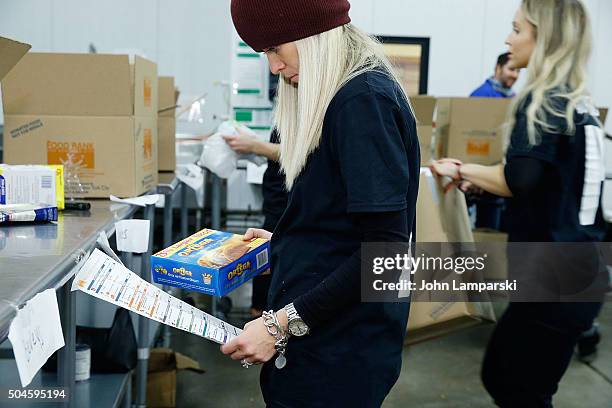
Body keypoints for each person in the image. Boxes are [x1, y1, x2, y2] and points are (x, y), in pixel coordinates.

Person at [221, 1, 420, 406]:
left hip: (340, 348)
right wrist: (288, 241)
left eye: (276, 48)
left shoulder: (361, 101)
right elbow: (344, 222)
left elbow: (386, 253)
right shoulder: (345, 97)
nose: (274, 66)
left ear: (312, 34)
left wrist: (280, 326)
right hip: (325, 337)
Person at [431, 0, 606, 406]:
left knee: (513, 384)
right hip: (581, 270)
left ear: (544, 37)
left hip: (556, 277)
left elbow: (519, 179)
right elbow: (547, 181)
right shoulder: (579, 103)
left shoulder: (544, 100)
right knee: (520, 383)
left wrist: (462, 169)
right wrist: (477, 180)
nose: (508, 38)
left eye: (517, 29)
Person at [223, 129, 287, 317]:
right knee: (268, 258)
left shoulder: (353, 104)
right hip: (279, 203)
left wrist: (256, 146)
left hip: (287, 203)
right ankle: (262, 317)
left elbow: (305, 153)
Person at [469, 53, 520, 231]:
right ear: (498, 68)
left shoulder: (515, 98)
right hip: (486, 175)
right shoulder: (482, 95)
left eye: (518, 71)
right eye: (511, 69)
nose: (515, 75)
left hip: (507, 173)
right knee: (488, 230)